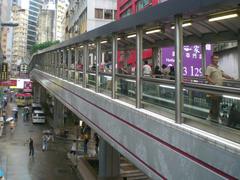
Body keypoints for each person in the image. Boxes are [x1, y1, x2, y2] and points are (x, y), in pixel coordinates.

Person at [205, 54, 233, 122]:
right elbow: (207, 77)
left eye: (217, 59)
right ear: (212, 59)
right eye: (215, 59)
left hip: (220, 89)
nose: (216, 60)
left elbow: (224, 74)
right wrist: (213, 83)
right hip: (214, 89)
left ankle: (210, 116)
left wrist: (231, 78)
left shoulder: (218, 68)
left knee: (216, 103)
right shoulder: (209, 67)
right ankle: (217, 117)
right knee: (215, 103)